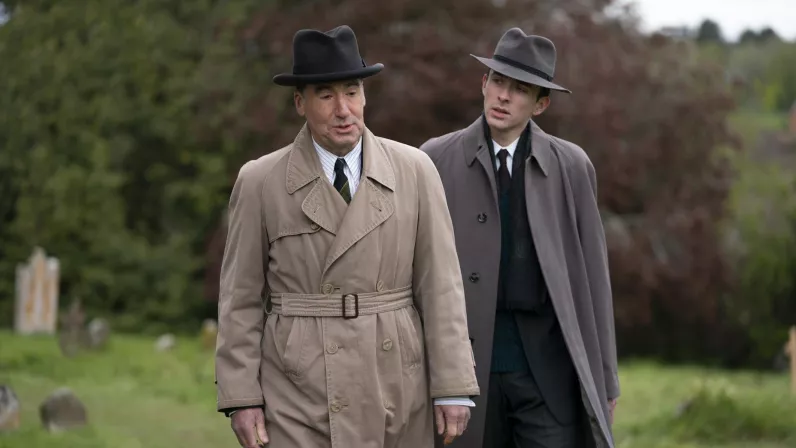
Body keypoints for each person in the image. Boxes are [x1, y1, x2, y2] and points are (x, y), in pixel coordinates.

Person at [214, 25, 479, 448]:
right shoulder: (260, 181)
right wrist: (241, 397)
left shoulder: (414, 170)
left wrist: (453, 384)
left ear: (365, 96)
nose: (343, 110)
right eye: (325, 96)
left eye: (352, 92)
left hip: (395, 381)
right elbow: (240, 298)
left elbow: (441, 286)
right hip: (295, 390)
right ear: (299, 102)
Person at [419, 28, 620, 448]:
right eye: (498, 82)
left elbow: (594, 282)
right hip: (465, 373)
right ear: (483, 83)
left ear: (541, 104)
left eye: (520, 89)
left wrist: (605, 379)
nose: (504, 96)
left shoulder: (572, 167)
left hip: (548, 374)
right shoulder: (434, 159)